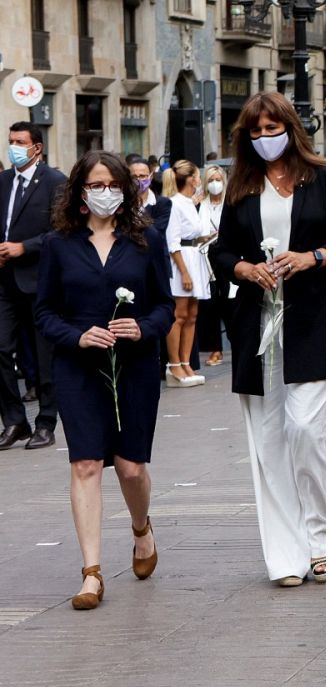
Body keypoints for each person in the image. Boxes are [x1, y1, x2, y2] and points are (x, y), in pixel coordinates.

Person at [212, 91, 326, 587]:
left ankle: (324, 537)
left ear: (290, 128)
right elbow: (221, 251)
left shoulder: (323, 177)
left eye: (271, 129)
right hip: (259, 327)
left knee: (308, 429)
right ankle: (286, 555)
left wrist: (313, 257)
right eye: (254, 132)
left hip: (318, 321)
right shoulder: (241, 184)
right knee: (271, 441)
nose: (263, 139)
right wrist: (243, 267)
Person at [33, 150, 174, 610]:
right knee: (86, 464)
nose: (104, 192)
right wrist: (76, 336)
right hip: (77, 367)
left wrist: (143, 327)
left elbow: (165, 307)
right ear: (78, 192)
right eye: (94, 185)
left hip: (134, 365)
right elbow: (44, 312)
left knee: (131, 467)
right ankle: (91, 573)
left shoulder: (146, 240)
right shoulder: (58, 244)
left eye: (111, 184)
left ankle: (141, 530)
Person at [0, 121, 67, 450]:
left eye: (20, 141)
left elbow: (63, 231)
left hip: (40, 279)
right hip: (5, 280)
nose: (13, 146)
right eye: (11, 141)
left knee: (44, 356)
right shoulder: (3, 182)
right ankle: (14, 421)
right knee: (0, 348)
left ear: (36, 147)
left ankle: (46, 422)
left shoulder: (55, 182)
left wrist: (25, 247)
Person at [160, 159, 209, 387]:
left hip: (194, 255)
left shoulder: (190, 202)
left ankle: (186, 361)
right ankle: (174, 364)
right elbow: (172, 241)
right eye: (197, 176)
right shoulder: (174, 203)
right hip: (181, 261)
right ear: (191, 178)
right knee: (178, 315)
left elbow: (193, 232)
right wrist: (184, 273)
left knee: (192, 315)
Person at [196, 165, 233, 367]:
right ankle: (215, 348)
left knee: (230, 300)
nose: (215, 184)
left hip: (227, 254)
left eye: (218, 180)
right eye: (211, 180)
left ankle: (237, 343)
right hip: (205, 255)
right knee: (210, 304)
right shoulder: (201, 205)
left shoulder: (231, 202)